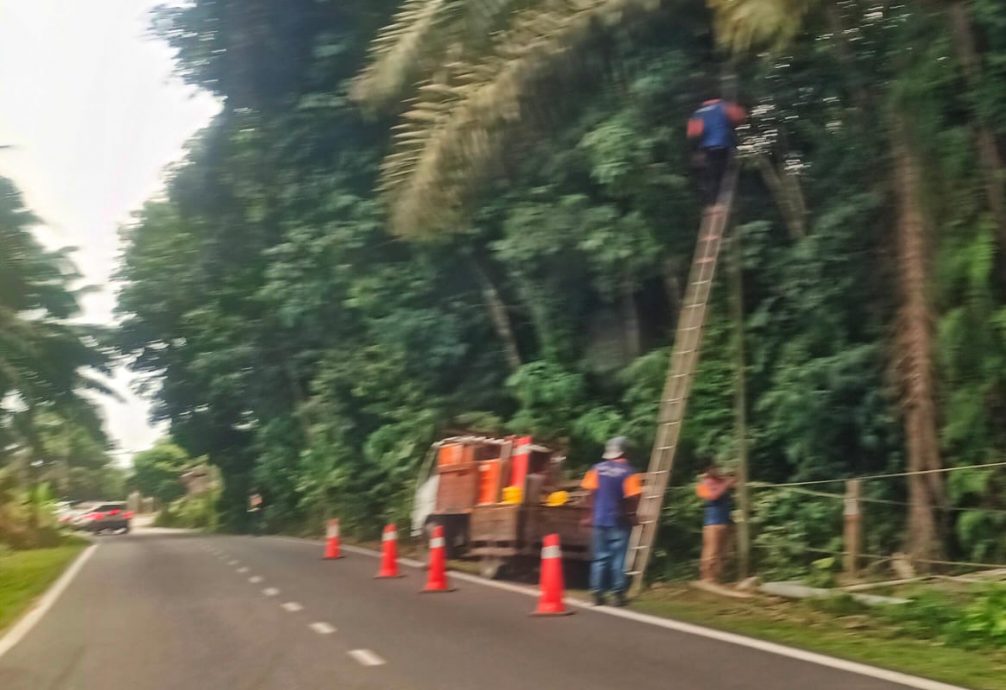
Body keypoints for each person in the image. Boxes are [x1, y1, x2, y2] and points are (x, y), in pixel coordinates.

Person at [580, 436, 642, 607]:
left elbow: (589, 494)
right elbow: (633, 497)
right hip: (619, 521)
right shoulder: (629, 472)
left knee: (600, 557)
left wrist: (589, 516)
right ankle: (617, 594)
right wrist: (632, 515)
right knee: (618, 558)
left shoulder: (596, 469)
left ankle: (596, 594)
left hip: (599, 519)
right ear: (626, 452)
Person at [687, 97, 746, 207]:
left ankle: (712, 202)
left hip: (707, 148)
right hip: (724, 145)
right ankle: (719, 201)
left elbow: (694, 133)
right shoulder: (725, 106)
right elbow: (740, 118)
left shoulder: (698, 112)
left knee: (711, 174)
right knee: (722, 173)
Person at [696, 464, 736, 583]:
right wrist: (726, 484)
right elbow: (713, 496)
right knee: (711, 552)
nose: (719, 471)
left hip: (725, 521)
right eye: (716, 469)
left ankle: (717, 578)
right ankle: (707, 578)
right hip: (712, 523)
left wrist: (732, 479)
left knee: (723, 552)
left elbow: (734, 483)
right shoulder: (704, 484)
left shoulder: (721, 481)